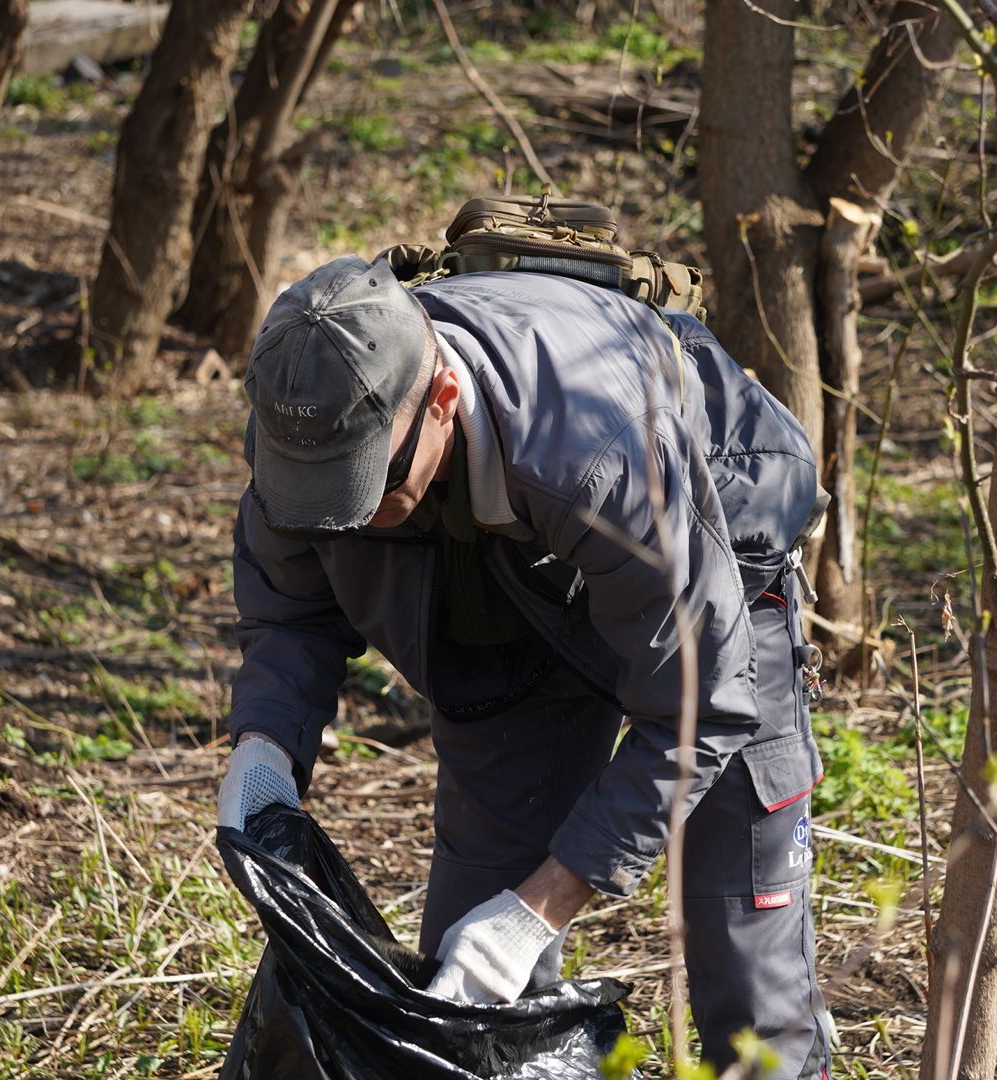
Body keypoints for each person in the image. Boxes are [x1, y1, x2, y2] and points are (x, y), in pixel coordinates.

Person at [216, 253, 834, 1078]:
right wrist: (264, 747)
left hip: (711, 577)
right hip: (500, 604)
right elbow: (291, 605)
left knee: (747, 979)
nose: (350, 517)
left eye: (372, 486)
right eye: (321, 494)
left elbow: (702, 704)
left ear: (441, 400)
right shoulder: (308, 421)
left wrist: (538, 912)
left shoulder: (600, 449)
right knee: (465, 1007)